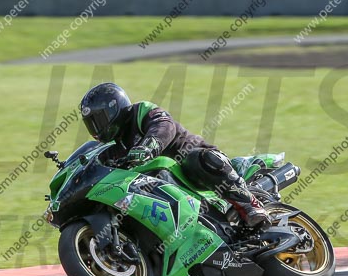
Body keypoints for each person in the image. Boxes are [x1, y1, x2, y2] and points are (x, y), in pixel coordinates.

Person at [79, 82, 269, 227]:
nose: (97, 127)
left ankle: (249, 203)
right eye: (92, 123)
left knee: (198, 159)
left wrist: (149, 146)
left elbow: (163, 126)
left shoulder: (140, 111)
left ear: (115, 107)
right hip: (159, 187)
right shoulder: (112, 147)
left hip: (192, 169)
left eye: (99, 119)